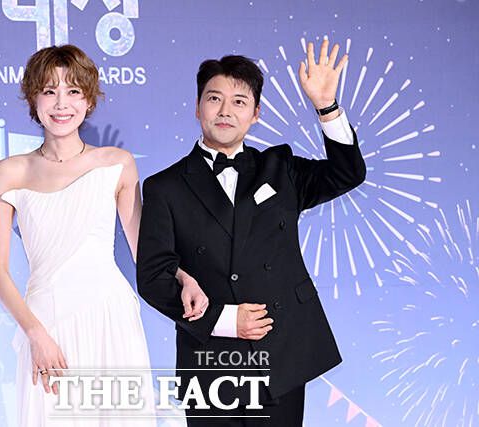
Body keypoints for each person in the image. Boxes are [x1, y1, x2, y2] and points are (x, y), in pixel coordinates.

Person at [136, 38, 366, 426]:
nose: (225, 111)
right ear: (197, 107)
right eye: (214, 99)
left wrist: (326, 107)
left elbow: (348, 173)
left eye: (239, 101)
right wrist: (225, 320)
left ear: (256, 114)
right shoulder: (165, 187)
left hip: (280, 353)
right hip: (209, 362)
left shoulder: (281, 168)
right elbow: (153, 278)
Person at [0, 44, 184, 426]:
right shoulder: (10, 171)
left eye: (73, 91)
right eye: (50, 91)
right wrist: (36, 334)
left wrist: (183, 277)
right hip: (46, 323)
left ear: (89, 100)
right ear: (33, 99)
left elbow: (147, 253)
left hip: (110, 318)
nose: (62, 104)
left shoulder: (116, 163)